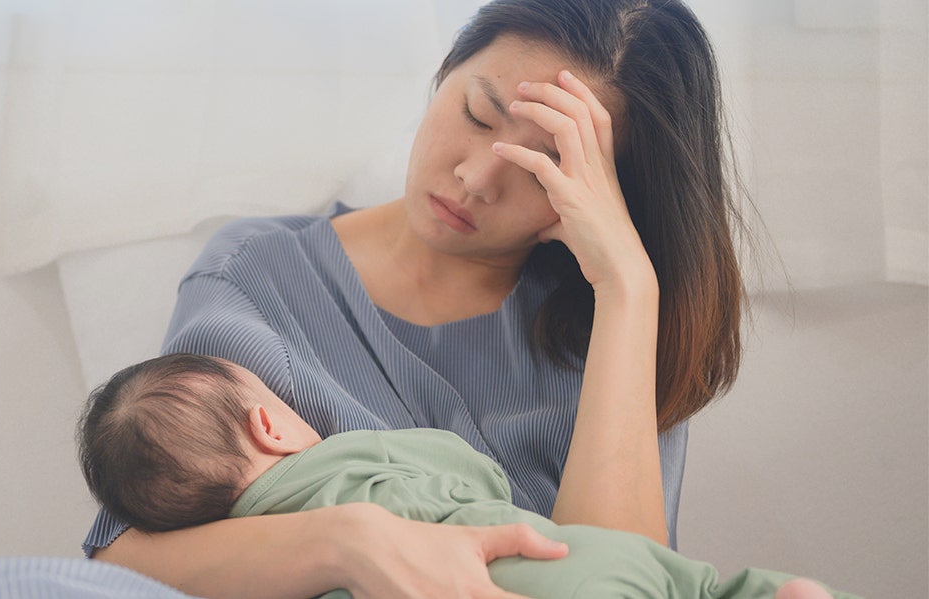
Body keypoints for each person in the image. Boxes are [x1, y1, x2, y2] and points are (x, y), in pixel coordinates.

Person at [85, 1, 752, 597]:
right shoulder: (258, 279)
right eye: (477, 114)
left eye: (542, 169)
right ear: (443, 71)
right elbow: (130, 555)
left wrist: (628, 288)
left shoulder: (611, 324)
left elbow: (625, 578)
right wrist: (352, 543)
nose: (475, 178)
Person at [78, 353, 856, 599]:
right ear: (273, 423)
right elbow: (469, 468)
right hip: (560, 557)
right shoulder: (361, 451)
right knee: (690, 582)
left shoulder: (255, 561)